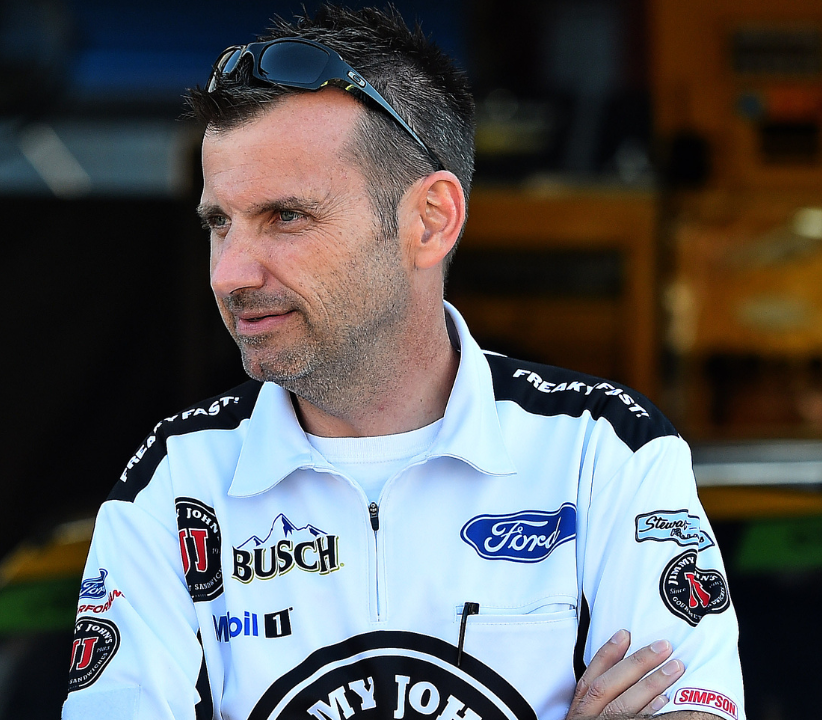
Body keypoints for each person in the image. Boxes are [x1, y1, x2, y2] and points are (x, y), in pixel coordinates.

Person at [63, 7, 743, 720]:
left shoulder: (603, 451)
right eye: (218, 223)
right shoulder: (178, 479)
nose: (230, 273)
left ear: (430, 220)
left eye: (286, 217)